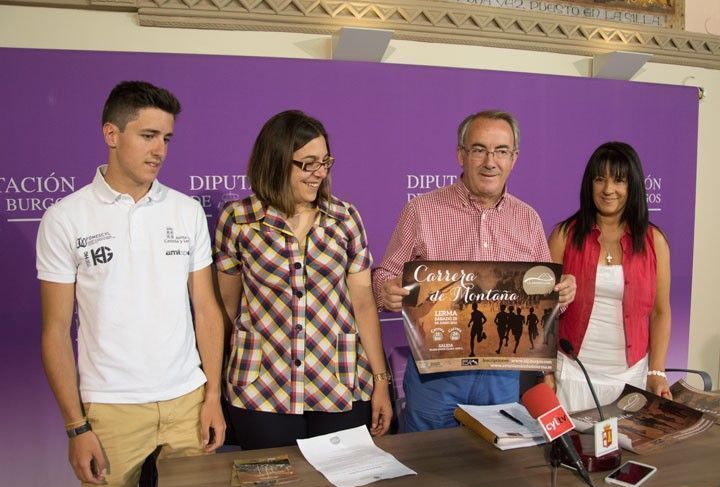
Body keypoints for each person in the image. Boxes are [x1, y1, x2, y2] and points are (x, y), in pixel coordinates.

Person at [36, 81, 226, 487]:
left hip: (187, 402)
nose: (159, 149)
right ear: (111, 133)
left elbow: (206, 309)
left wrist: (213, 397)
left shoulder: (185, 211)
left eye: (167, 138)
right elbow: (56, 330)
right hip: (110, 409)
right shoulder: (66, 218)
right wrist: (75, 427)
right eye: (147, 135)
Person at [372, 110, 576, 432]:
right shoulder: (421, 211)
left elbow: (544, 299)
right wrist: (385, 289)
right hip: (435, 375)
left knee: (492, 472)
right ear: (461, 155)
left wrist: (562, 293)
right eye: (479, 149)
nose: (489, 162)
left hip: (502, 376)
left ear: (514, 158)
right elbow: (385, 276)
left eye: (501, 151)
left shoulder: (528, 219)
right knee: (426, 471)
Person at [214, 110, 393, 449]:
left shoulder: (345, 218)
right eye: (308, 163)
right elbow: (226, 307)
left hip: (338, 381)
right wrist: (213, 387)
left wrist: (381, 381)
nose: (319, 173)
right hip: (260, 388)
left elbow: (363, 304)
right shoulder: (238, 220)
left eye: (325, 162)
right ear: (277, 161)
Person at [547, 141, 672, 412]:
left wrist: (657, 372)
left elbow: (660, 312)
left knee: (624, 453)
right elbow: (542, 311)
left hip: (631, 378)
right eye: (599, 179)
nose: (608, 190)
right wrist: (545, 373)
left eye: (619, 180)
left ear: (633, 186)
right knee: (571, 453)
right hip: (572, 374)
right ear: (589, 184)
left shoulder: (655, 241)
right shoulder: (564, 235)